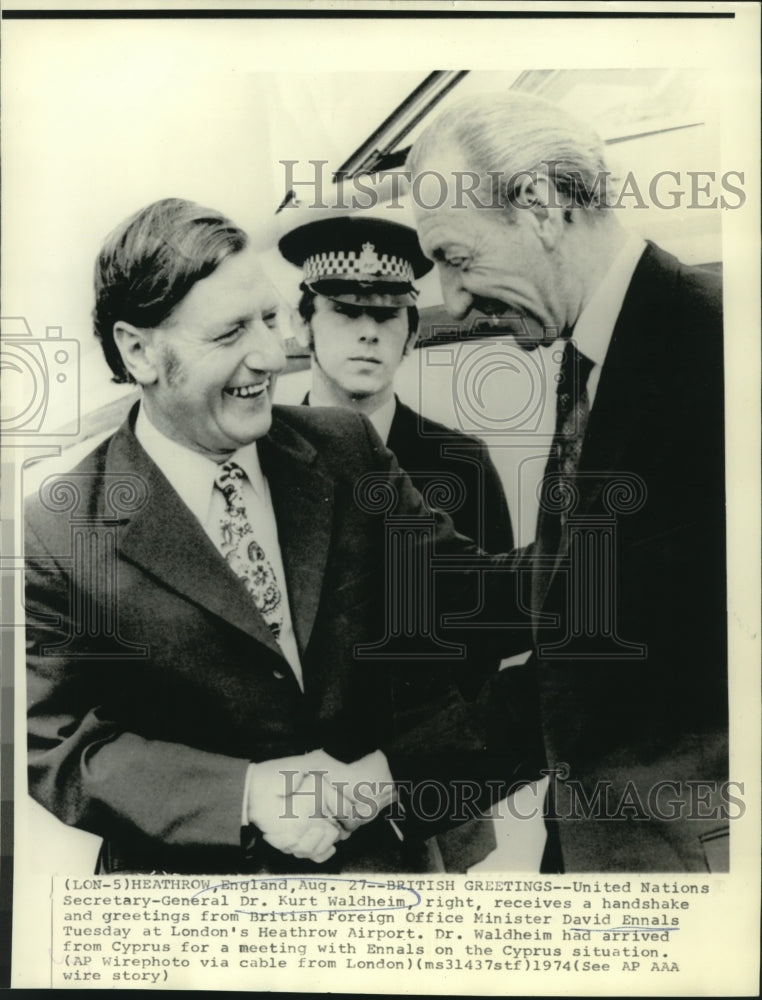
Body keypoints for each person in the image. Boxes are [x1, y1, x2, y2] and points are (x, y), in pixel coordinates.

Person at [25, 197, 525, 876]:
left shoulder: (344, 451)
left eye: (269, 319)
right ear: (138, 350)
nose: (270, 354)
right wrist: (249, 794)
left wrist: (621, 565)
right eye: (231, 333)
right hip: (192, 923)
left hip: (378, 882)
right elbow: (61, 747)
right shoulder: (58, 530)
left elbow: (475, 596)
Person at [407, 91, 728, 872]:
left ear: (542, 206)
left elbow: (607, 644)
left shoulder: (714, 349)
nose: (449, 298)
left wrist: (385, 777)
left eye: (456, 257)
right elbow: (572, 582)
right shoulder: (591, 351)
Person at [278, 212, 515, 871]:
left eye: (386, 316)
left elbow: (486, 637)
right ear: (303, 324)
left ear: (412, 332)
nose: (365, 332)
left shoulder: (460, 464)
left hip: (425, 794)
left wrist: (409, 767)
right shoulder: (257, 453)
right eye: (343, 311)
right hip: (287, 796)